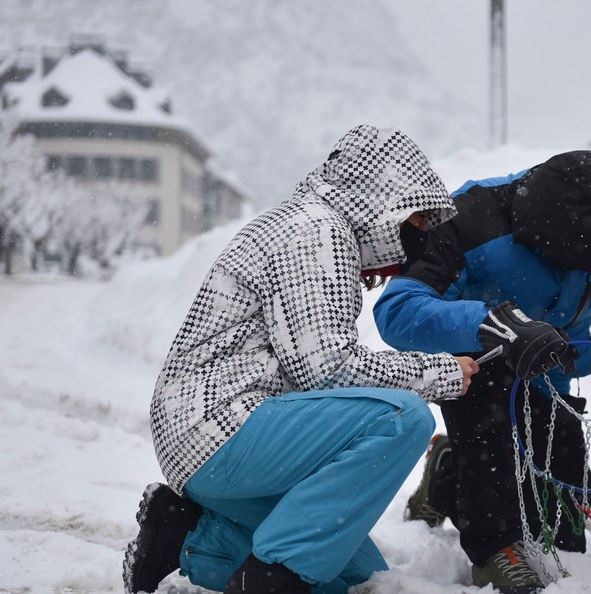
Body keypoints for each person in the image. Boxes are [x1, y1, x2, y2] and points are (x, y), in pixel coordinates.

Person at [122, 124, 480, 594]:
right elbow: (326, 369)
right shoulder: (317, 231)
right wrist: (440, 373)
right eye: (416, 220)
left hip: (210, 444)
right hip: (221, 427)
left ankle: (187, 535)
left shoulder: (315, 228)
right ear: (380, 200)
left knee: (353, 578)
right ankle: (273, 579)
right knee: (402, 418)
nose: (421, 236)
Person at [373, 150, 591, 593]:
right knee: (493, 480)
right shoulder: (467, 221)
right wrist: (493, 325)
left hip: (552, 370)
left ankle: (447, 471)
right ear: (542, 240)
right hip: (476, 366)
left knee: (561, 518)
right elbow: (397, 310)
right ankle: (492, 551)